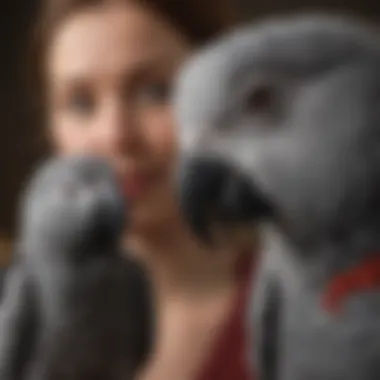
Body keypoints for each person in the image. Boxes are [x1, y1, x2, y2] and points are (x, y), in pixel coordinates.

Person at [29, 0, 258, 379]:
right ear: (53, 130)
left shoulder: (321, 308)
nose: (115, 136)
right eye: (82, 103)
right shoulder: (21, 321)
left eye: (155, 92)